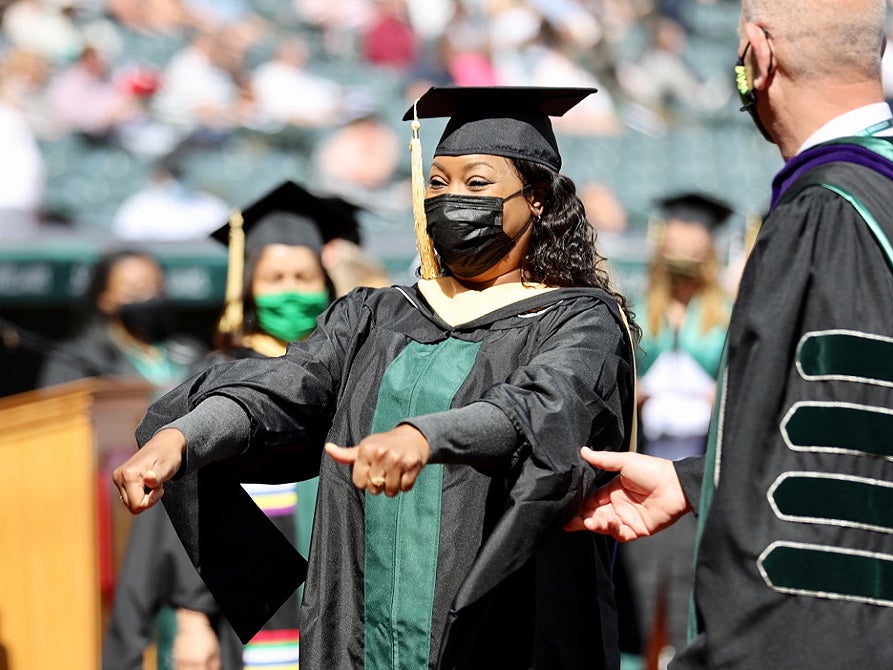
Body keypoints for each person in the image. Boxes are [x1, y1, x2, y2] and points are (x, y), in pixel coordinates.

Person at [113, 86, 637, 670]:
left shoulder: (579, 323)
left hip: (502, 633)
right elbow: (286, 384)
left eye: (477, 184)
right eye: (437, 183)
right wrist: (185, 436)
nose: (451, 199)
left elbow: (542, 407)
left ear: (536, 197)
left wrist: (425, 437)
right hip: (362, 631)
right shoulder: (375, 316)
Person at [568, 1, 893, 668]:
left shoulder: (825, 220)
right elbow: (879, 442)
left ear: (758, 54)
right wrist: (694, 480)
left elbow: (823, 513)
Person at [103, 180, 358, 670]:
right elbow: (180, 507)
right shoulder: (210, 381)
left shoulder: (350, 375)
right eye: (275, 277)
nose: (291, 291)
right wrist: (193, 614)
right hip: (239, 597)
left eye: (304, 277)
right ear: (249, 287)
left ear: (325, 284)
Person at [623, 193, 734, 663]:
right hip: (644, 465)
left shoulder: (726, 313)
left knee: (690, 583)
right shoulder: (638, 311)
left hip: (701, 473)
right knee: (637, 585)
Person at [37, 249, 204, 390]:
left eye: (157, 289)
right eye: (135, 292)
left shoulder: (189, 351)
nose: (148, 297)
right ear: (105, 299)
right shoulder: (75, 359)